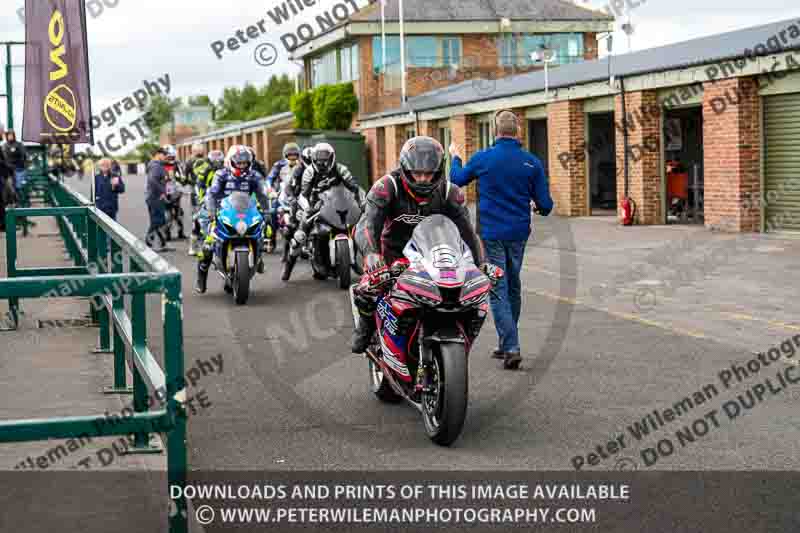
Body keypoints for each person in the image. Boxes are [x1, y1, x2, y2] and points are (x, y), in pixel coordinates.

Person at [350, 136, 501, 354]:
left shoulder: (450, 192)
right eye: (416, 173)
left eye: (428, 174)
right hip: (391, 254)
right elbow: (368, 223)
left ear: (439, 171)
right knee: (367, 289)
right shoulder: (386, 187)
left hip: (434, 254)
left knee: (469, 295)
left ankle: (460, 337)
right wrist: (372, 255)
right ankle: (365, 329)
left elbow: (468, 232)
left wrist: (482, 264)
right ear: (405, 169)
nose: (422, 179)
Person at [449, 110, 554, 369]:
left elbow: (456, 179)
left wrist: (455, 157)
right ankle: (506, 340)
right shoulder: (531, 162)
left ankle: (510, 346)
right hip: (518, 234)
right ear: (517, 131)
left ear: (496, 132)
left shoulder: (484, 158)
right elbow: (546, 205)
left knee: (498, 288)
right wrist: (537, 206)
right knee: (513, 284)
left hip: (491, 234)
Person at [195, 145, 269, 294]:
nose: (242, 166)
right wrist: (210, 210)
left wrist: (267, 211)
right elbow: (212, 194)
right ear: (230, 161)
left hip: (245, 211)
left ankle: (258, 257)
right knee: (207, 246)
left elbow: (261, 194)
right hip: (222, 212)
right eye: (239, 163)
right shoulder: (221, 174)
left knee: (262, 233)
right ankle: (201, 276)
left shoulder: (254, 176)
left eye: (245, 163)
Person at [289, 143, 360, 275]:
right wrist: (307, 207)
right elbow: (305, 193)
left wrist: (358, 200)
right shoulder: (309, 172)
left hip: (339, 202)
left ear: (332, 158)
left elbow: (353, 186)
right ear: (314, 159)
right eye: (319, 160)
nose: (322, 162)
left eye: (325, 159)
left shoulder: (341, 169)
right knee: (300, 236)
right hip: (317, 204)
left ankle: (354, 261)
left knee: (355, 227)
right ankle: (290, 265)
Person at [188, 149, 225, 256]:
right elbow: (199, 185)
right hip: (208, 197)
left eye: (219, 160)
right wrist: (201, 198)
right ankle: (193, 245)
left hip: (223, 198)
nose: (217, 163)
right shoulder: (205, 170)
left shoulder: (227, 170)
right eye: (215, 161)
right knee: (198, 219)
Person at [265, 142, 301, 251]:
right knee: (272, 212)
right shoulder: (279, 165)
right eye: (290, 155)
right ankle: (272, 238)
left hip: (298, 194)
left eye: (295, 155)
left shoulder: (302, 165)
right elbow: (269, 179)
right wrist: (270, 190)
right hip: (282, 195)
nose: (292, 157)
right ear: (285, 155)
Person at [145, 147, 170, 251]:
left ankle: (162, 244)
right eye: (164, 155)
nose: (165, 157)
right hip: (155, 197)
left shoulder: (157, 165)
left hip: (156, 196)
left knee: (160, 221)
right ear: (158, 154)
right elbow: (152, 180)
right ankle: (149, 244)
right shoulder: (155, 166)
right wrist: (162, 192)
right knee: (157, 221)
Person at [162, 145, 187, 240]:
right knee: (167, 214)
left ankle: (181, 232)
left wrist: (180, 179)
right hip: (164, 193)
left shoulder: (177, 164)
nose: (171, 159)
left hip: (176, 192)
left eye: (172, 157)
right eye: (169, 157)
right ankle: (166, 234)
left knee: (179, 213)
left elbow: (183, 177)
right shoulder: (160, 165)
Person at [2, 130, 27, 195]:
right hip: (8, 169)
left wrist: (21, 163)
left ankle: (20, 200)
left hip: (18, 168)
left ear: (14, 136)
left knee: (19, 186)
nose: (10, 137)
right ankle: (12, 200)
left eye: (11, 135)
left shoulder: (19, 144)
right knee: (8, 185)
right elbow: (3, 158)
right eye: (9, 135)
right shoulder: (4, 146)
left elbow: (23, 155)